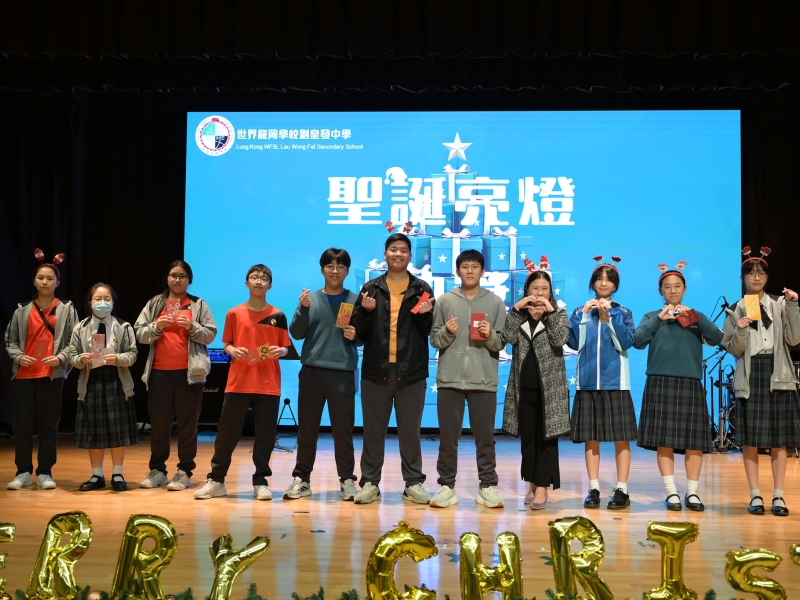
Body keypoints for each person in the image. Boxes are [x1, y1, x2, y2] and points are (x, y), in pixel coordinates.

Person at [194, 264, 290, 501]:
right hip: (238, 382)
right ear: (247, 282)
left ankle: (261, 481)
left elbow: (285, 347)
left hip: (268, 383)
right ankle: (216, 480)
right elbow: (227, 344)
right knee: (227, 433)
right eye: (254, 277)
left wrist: (282, 351)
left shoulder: (278, 315)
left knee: (265, 435)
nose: (259, 281)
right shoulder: (234, 313)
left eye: (264, 278)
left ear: (270, 285)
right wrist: (232, 350)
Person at [350, 232, 434, 505]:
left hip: (412, 371)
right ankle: (370, 482)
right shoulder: (371, 287)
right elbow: (357, 333)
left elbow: (428, 331)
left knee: (410, 432)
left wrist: (425, 316)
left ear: (410, 256)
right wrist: (366, 312)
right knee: (373, 431)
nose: (398, 254)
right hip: (376, 370)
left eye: (403, 250)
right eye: (393, 249)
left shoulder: (421, 288)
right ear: (385, 254)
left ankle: (413, 483)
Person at [634, 261, 723, 512]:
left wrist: (693, 316)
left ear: (684, 289)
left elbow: (717, 337)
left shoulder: (694, 315)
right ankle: (671, 492)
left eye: (677, 286)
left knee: (694, 442)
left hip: (690, 382)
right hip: (659, 381)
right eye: (667, 287)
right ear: (660, 291)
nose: (672, 290)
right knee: (664, 441)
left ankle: (692, 492)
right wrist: (659, 319)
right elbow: (638, 341)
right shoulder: (652, 316)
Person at [721, 246, 800, 517]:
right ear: (743, 277)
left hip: (778, 373)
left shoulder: (780, 304)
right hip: (751, 374)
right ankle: (755, 494)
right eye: (751, 273)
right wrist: (741, 330)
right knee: (751, 441)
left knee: (780, 441)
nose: (756, 278)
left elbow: (794, 339)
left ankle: (779, 495)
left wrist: (793, 305)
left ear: (767, 277)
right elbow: (734, 349)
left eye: (761, 273)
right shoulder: (735, 309)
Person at [429, 249, 506, 508]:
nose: (470, 271)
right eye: (465, 267)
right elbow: (434, 339)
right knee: (448, 438)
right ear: (457, 271)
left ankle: (487, 486)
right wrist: (447, 332)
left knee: (485, 438)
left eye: (474, 267)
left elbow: (500, 343)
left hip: (483, 381)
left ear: (483, 271)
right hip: (449, 380)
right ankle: (446, 486)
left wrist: (489, 335)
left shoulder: (495, 302)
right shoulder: (445, 301)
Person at [134, 260, 217, 491]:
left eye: (182, 276)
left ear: (189, 280)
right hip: (159, 374)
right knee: (159, 425)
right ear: (167, 278)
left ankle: (184, 472)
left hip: (189, 375)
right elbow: (139, 333)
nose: (177, 279)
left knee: (187, 426)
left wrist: (192, 327)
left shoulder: (198, 304)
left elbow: (210, 335)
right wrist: (157, 326)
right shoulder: (156, 303)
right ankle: (158, 471)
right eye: (173, 275)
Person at [284, 248, 360, 501]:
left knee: (343, 431)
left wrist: (356, 335)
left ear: (347, 271)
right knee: (307, 430)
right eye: (330, 266)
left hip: (342, 373)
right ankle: (302, 479)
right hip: (312, 373)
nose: (335, 271)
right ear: (322, 269)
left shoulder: (355, 300)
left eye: (340, 266)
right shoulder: (310, 299)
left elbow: (363, 337)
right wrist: (303, 309)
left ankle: (347, 481)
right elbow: (296, 333)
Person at [567, 257, 637, 510]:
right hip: (587, 383)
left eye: (608, 280)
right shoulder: (580, 311)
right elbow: (574, 343)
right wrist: (585, 315)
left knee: (621, 438)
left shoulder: (623, 312)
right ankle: (593, 488)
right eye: (599, 279)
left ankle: (622, 489)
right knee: (591, 438)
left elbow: (625, 343)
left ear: (615, 285)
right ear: (592, 283)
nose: (603, 283)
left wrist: (609, 317)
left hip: (616, 383)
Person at [500, 260, 570, 510]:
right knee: (528, 438)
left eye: (544, 289)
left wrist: (549, 314)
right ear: (526, 291)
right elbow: (505, 338)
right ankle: (531, 481)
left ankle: (542, 487)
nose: (539, 294)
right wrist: (515, 311)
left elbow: (560, 339)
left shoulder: (559, 314)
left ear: (550, 292)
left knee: (547, 438)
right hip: (523, 387)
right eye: (535, 289)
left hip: (549, 390)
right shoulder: (519, 315)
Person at [4, 252, 77, 490]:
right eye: (40, 278)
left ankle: (45, 472)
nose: (45, 282)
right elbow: (10, 340)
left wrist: (60, 357)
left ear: (58, 282)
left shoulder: (66, 308)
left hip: (51, 375)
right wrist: (18, 356)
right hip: (24, 375)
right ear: (34, 281)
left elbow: (74, 340)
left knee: (48, 426)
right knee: (23, 426)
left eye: (49, 278)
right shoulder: (22, 309)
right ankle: (23, 472)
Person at [68, 283, 138, 491]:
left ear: (113, 302)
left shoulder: (124, 326)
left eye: (107, 299)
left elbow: (132, 355)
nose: (102, 303)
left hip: (117, 381)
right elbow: (72, 356)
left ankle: (118, 474)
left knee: (117, 430)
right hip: (91, 382)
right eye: (97, 299)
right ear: (90, 303)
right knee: (94, 430)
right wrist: (81, 359)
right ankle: (96, 475)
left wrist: (117, 358)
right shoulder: (80, 327)